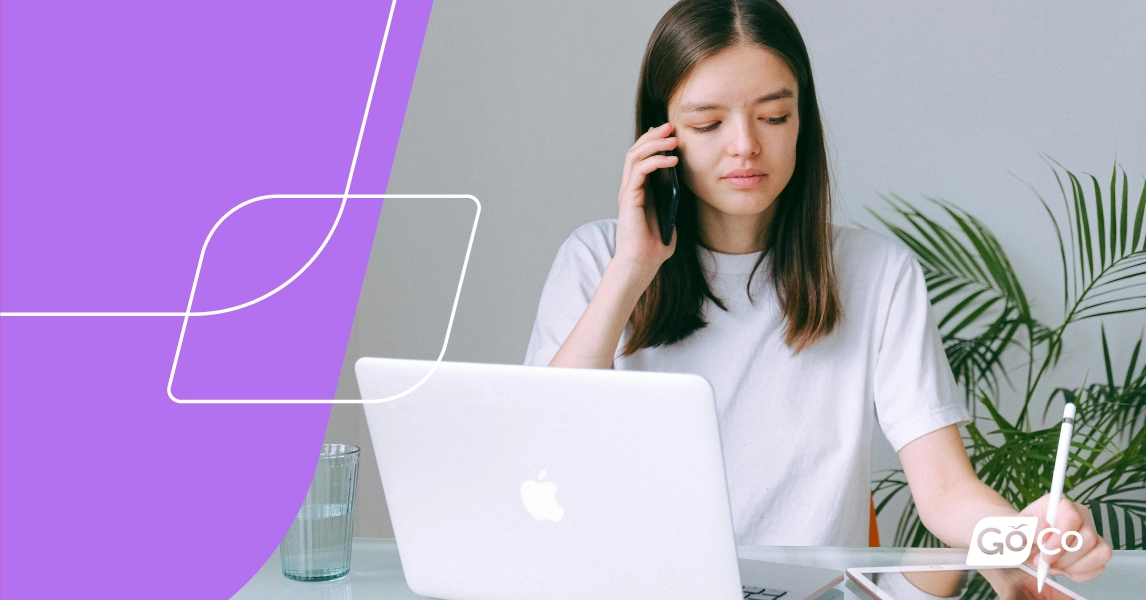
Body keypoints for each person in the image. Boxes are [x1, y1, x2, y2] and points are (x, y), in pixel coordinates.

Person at [524, 0, 1111, 583]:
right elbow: (541, 450)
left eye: (774, 117)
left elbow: (946, 490)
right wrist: (631, 270)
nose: (745, 146)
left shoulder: (879, 274)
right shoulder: (595, 261)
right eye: (707, 124)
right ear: (661, 137)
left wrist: (1026, 535)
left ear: (802, 119)